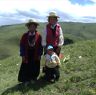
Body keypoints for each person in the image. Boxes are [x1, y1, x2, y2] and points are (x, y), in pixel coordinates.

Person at [18, 19, 43, 83]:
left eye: (33, 26)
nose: (32, 28)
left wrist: (40, 54)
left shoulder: (39, 36)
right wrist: (22, 55)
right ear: (28, 27)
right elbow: (22, 45)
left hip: (35, 53)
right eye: (30, 26)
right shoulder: (24, 35)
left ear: (36, 27)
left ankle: (34, 77)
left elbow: (40, 46)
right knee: (26, 66)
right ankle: (26, 79)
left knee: (35, 66)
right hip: (27, 53)